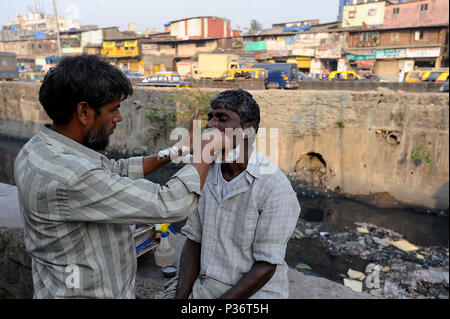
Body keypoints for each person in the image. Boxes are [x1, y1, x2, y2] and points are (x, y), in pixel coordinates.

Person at [13, 55, 225, 298]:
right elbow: (170, 203)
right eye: (113, 109)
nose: (119, 117)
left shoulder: (38, 148)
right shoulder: (72, 175)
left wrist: (175, 152)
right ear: (84, 111)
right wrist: (207, 149)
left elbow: (114, 171)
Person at [158, 89, 301, 299]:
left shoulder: (275, 187)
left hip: (252, 294)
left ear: (247, 130)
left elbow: (266, 265)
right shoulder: (206, 172)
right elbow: (194, 240)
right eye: (210, 118)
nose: (211, 126)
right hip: (205, 283)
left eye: (222, 119)